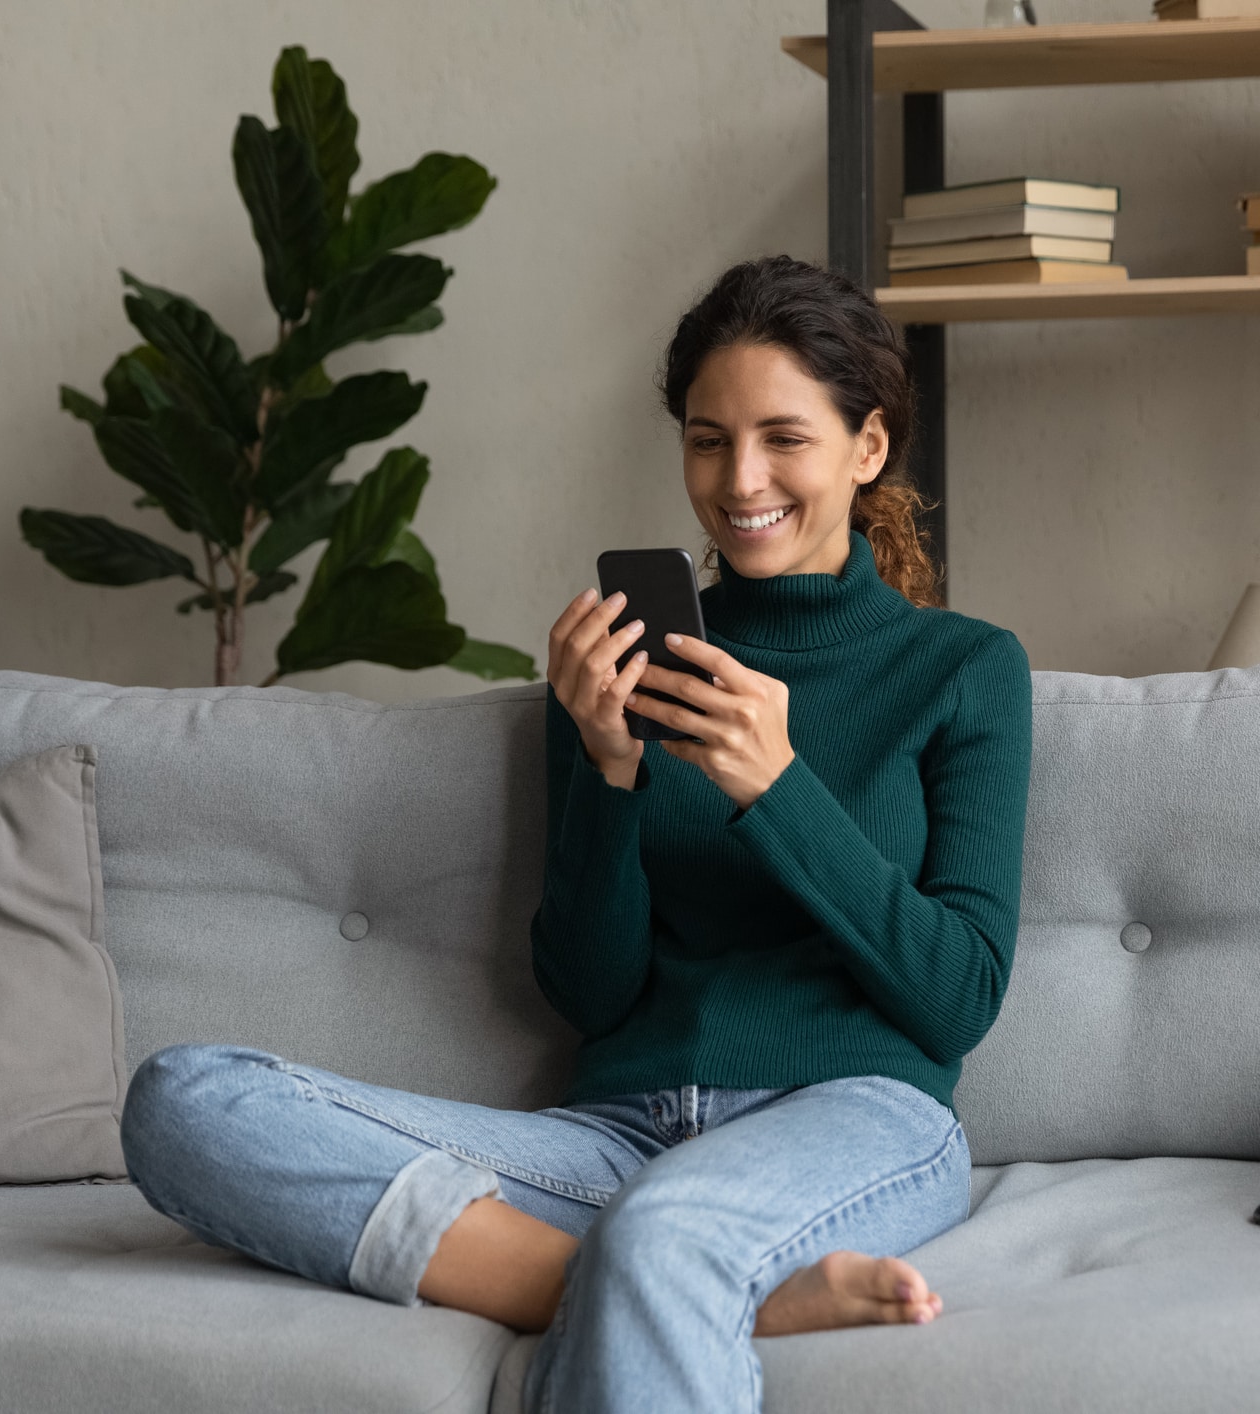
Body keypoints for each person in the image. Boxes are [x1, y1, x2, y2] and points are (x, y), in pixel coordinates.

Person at [118, 254, 1033, 1413]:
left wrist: (779, 786)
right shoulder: (616, 665)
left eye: (783, 438)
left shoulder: (963, 669)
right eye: (708, 439)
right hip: (619, 1130)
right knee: (188, 1098)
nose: (739, 477)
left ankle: (670, 1267)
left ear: (869, 446)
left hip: (854, 1115)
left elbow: (960, 996)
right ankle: (707, 1287)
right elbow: (594, 996)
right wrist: (607, 768)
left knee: (665, 1231)